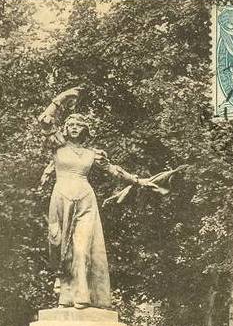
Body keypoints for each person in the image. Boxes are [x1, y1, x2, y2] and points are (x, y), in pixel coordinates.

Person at [38, 87, 157, 309]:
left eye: (78, 125)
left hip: (85, 199)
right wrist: (62, 98)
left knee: (82, 247)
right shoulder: (57, 146)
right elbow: (44, 121)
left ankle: (83, 293)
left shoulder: (93, 153)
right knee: (59, 246)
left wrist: (138, 181)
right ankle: (65, 293)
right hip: (61, 198)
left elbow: (115, 170)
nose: (74, 128)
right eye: (71, 125)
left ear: (85, 129)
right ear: (65, 128)